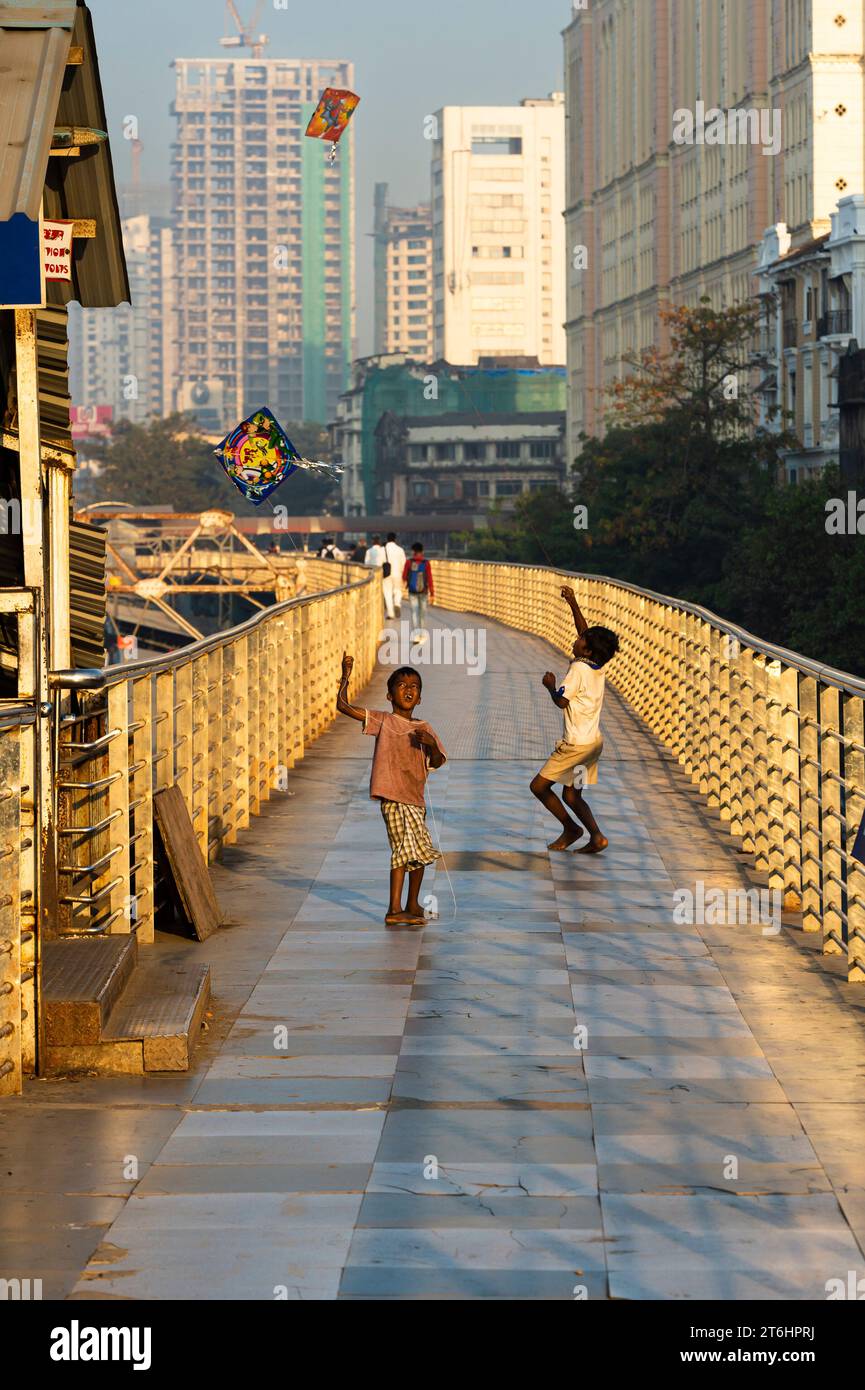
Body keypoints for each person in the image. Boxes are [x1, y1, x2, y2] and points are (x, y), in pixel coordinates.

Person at [337, 654, 447, 928]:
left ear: (420, 698)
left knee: (420, 851)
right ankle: (394, 908)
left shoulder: (424, 728)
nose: (409, 690)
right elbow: (343, 706)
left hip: (415, 799)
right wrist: (346, 675)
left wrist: (431, 744)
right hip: (393, 798)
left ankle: (412, 903)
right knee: (403, 850)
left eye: (414, 687)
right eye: (402, 685)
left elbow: (438, 761)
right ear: (389, 695)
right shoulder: (383, 720)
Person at [530, 585, 620, 853]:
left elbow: (561, 702)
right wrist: (573, 602)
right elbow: (585, 633)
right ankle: (597, 837)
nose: (577, 638)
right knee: (571, 794)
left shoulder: (578, 668)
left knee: (538, 786)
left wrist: (550, 684)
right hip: (592, 744)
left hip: (574, 747)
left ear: (588, 650)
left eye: (582, 640)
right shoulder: (597, 665)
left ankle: (571, 828)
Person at [403, 542, 435, 637]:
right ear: (422, 551)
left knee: (414, 612)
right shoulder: (426, 563)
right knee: (422, 613)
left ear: (413, 551)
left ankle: (416, 634)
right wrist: (432, 593)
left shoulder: (409, 562)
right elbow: (429, 578)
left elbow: (404, 576)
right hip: (424, 591)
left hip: (412, 591)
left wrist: (409, 581)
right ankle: (422, 634)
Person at [381, 532, 406, 620]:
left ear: (387, 539)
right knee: (397, 590)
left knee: (387, 592)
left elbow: (379, 562)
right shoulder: (400, 550)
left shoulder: (383, 549)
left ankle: (390, 613)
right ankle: (397, 603)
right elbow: (404, 563)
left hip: (386, 574)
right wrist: (404, 574)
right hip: (398, 573)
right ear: (395, 539)